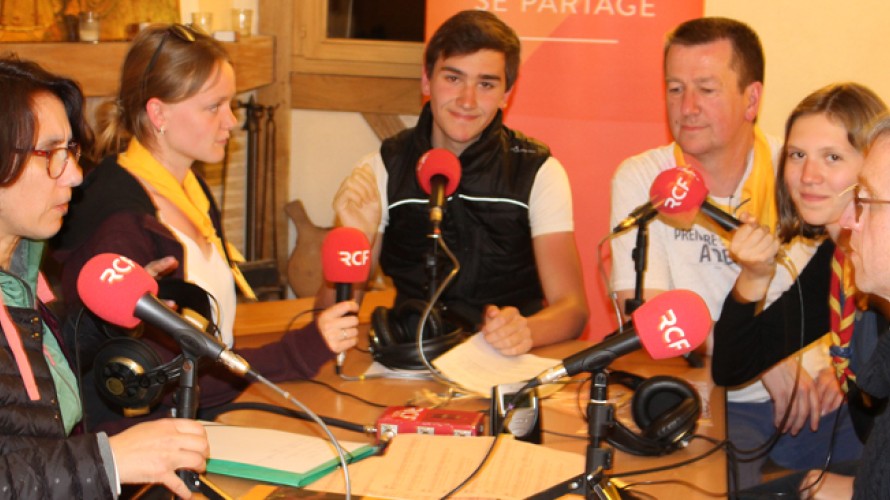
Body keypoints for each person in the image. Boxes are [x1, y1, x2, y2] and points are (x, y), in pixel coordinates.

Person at [50, 24, 359, 433]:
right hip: (147, 440)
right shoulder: (119, 226)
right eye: (214, 107)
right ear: (158, 113)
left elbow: (213, 345)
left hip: (202, 414)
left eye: (230, 104)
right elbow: (157, 381)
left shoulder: (188, 187)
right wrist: (303, 348)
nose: (230, 121)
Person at [609, 17, 860, 488]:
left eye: (706, 88)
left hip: (820, 400)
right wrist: (768, 360)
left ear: (752, 99)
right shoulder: (645, 178)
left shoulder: (800, 173)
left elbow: (852, 293)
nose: (687, 107)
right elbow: (651, 320)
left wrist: (851, 370)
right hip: (715, 398)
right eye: (675, 88)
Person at [0, 54, 209, 499]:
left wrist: (113, 317)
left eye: (71, 151)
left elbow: (26, 405)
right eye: (50, 154)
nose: (74, 176)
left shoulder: (20, 271)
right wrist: (108, 460)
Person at [326, 10, 588, 356]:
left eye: (486, 84)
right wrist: (355, 237)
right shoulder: (381, 168)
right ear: (426, 81)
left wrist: (525, 330)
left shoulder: (539, 171)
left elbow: (573, 308)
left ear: (507, 93)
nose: (467, 100)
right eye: (453, 78)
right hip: (408, 360)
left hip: (508, 363)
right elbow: (330, 319)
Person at [712, 83, 886, 492]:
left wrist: (857, 491)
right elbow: (733, 367)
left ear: (872, 167)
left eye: (832, 157)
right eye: (797, 155)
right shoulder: (836, 263)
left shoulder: (881, 269)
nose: (808, 176)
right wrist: (753, 279)